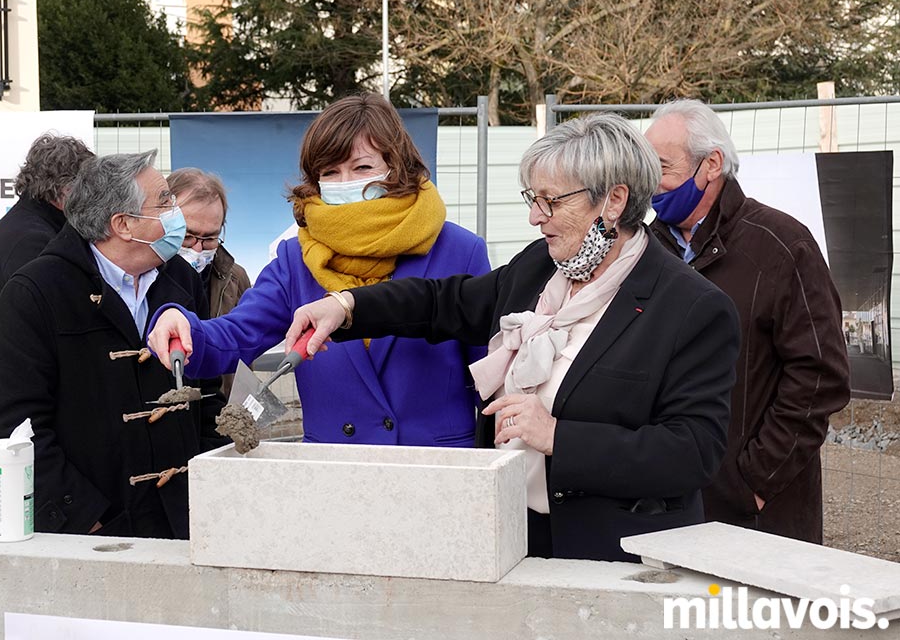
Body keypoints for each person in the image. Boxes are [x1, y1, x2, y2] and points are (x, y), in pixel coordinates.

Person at [280, 113, 740, 561]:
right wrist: (346, 307)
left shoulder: (692, 308)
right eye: (532, 199)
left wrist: (559, 436)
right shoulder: (541, 267)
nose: (535, 218)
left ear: (613, 201)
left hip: (610, 553)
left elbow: (692, 452)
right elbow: (445, 302)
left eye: (552, 202)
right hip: (511, 537)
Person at [148, 93, 491, 447]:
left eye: (362, 168)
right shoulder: (295, 259)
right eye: (330, 171)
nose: (345, 182)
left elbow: (491, 379)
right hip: (330, 474)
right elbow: (235, 337)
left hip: (439, 473)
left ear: (397, 167)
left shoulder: (461, 251)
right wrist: (183, 327)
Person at [0, 151, 226, 538]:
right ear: (123, 224)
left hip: (185, 519)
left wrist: (207, 482)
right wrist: (88, 519)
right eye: (164, 200)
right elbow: (17, 426)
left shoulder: (180, 279)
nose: (176, 211)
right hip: (92, 533)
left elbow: (206, 390)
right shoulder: (37, 292)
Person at [645, 99, 850, 544]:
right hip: (663, 503)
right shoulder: (645, 251)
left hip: (757, 517)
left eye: (661, 167)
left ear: (711, 164)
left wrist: (753, 482)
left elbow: (820, 376)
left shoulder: (782, 245)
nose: (650, 184)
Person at [0, 132, 94, 463]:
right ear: (65, 190)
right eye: (87, 188)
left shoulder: (29, 227)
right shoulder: (34, 240)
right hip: (29, 405)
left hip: (26, 399)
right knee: (17, 504)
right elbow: (56, 319)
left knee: (15, 503)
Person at [167, 168, 252, 397]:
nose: (197, 248)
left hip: (219, 411)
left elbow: (244, 363)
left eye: (209, 239)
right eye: (187, 236)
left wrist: (244, 416)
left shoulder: (236, 278)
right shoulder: (143, 277)